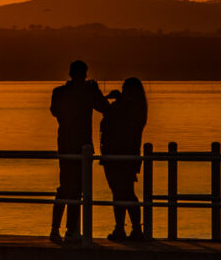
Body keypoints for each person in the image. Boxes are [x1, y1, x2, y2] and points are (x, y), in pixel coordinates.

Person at [49, 60, 109, 243]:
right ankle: (70, 230)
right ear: (84, 74)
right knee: (76, 189)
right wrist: (96, 90)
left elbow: (55, 112)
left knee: (66, 187)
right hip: (81, 145)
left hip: (66, 144)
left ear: (69, 73)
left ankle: (58, 229)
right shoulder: (88, 92)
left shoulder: (59, 92)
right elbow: (105, 108)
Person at [99, 77, 148, 241]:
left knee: (124, 192)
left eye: (126, 89)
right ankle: (123, 228)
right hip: (120, 154)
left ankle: (132, 229)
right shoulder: (136, 106)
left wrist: (118, 100)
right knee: (120, 192)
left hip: (122, 155)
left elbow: (119, 117)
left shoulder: (133, 107)